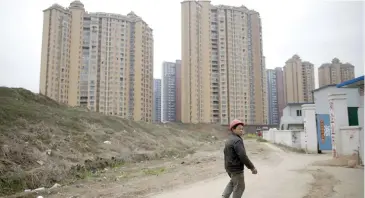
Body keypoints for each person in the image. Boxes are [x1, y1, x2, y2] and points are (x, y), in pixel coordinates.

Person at [222, 119, 258, 198]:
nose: (241, 130)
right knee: (240, 187)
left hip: (229, 168)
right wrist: (252, 167)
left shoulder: (229, 139)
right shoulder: (237, 141)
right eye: (239, 128)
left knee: (233, 182)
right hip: (236, 169)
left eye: (242, 128)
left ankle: (224, 196)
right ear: (233, 129)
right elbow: (243, 156)